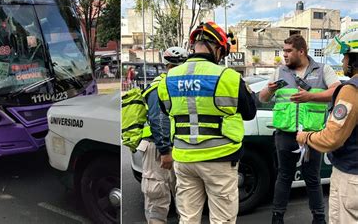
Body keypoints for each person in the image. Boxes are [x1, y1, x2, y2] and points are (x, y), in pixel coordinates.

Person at [157, 21, 257, 223]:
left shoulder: (169, 78)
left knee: (188, 218)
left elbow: (165, 110)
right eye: (222, 52)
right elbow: (249, 113)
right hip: (220, 158)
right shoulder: (228, 77)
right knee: (222, 219)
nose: (222, 57)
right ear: (217, 47)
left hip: (184, 159)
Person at [258, 34, 341, 224]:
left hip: (312, 134)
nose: (284, 55)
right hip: (285, 134)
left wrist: (311, 97)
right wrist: (270, 90)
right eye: (283, 51)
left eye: (288, 51)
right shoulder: (280, 72)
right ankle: (277, 217)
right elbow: (262, 98)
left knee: (312, 178)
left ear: (301, 51)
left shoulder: (323, 70)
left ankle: (319, 218)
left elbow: (337, 91)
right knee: (284, 176)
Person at [296, 29, 358, 224]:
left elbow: (332, 138)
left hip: (351, 177)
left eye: (345, 56)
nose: (343, 61)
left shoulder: (351, 90)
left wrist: (305, 137)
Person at [137, 47, 187, 224]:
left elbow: (161, 118)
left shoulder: (162, 84)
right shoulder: (170, 85)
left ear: (166, 64)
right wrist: (166, 150)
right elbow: (159, 120)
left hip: (166, 148)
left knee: (165, 198)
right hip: (163, 148)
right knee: (168, 198)